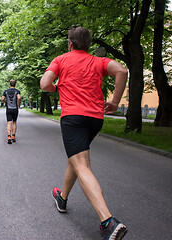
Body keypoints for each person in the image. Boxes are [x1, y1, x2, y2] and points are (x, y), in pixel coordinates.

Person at [40, 26, 128, 240]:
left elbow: (44, 84)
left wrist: (57, 87)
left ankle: (107, 221)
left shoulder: (61, 60)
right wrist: (115, 102)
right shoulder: (99, 62)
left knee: (82, 164)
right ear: (88, 45)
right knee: (76, 159)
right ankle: (62, 198)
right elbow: (123, 71)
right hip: (95, 119)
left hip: (73, 118)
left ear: (70, 44)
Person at [1, 80, 21, 144]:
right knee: (14, 122)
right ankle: (13, 136)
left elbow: (2, 99)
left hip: (8, 109)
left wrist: (5, 102)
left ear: (10, 84)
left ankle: (9, 137)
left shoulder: (6, 91)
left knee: (9, 123)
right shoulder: (17, 91)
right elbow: (19, 98)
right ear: (15, 84)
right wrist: (19, 104)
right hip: (15, 109)